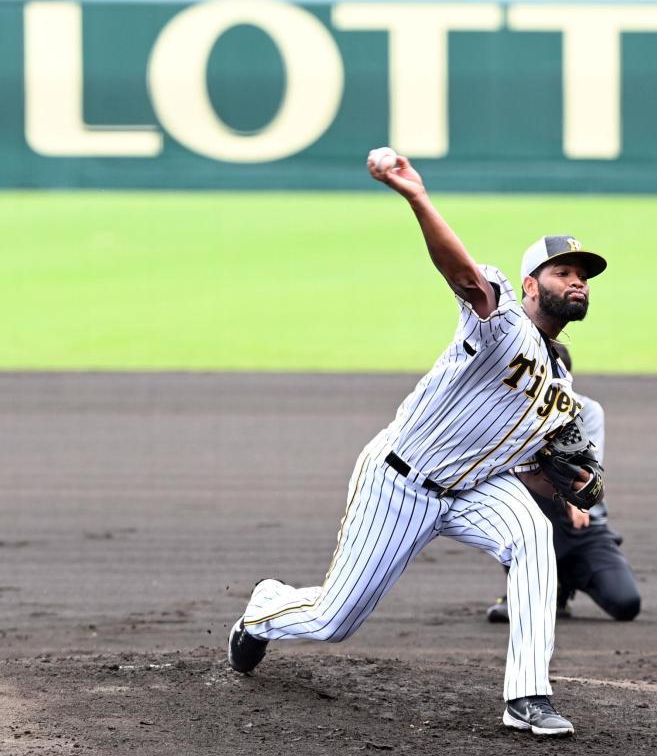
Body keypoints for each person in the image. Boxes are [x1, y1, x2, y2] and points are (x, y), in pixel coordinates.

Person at [226, 148, 607, 737]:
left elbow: (532, 467)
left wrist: (568, 491)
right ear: (531, 284)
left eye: (583, 275)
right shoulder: (501, 322)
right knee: (335, 620)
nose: (577, 281)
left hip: (474, 488)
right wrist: (416, 196)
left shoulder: (560, 384)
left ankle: (527, 695)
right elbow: (463, 275)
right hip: (399, 480)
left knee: (533, 534)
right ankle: (265, 608)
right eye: (564, 272)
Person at [486, 344, 641, 625]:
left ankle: (563, 580)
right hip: (529, 524)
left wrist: (576, 499)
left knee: (626, 603)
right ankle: (526, 589)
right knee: (513, 504)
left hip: (581, 529)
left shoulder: (587, 410)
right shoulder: (509, 412)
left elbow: (585, 470)